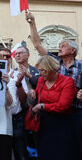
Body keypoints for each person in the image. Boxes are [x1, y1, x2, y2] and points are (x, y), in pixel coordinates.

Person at [26, 11, 82, 159]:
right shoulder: (53, 63)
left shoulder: (81, 66)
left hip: (76, 114)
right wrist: (32, 22)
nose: (59, 48)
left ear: (73, 50)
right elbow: (37, 44)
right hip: (52, 116)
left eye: (63, 46)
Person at [29, 55, 77, 160]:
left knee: (61, 153)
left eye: (42, 70)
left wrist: (42, 106)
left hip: (61, 123)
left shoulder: (67, 82)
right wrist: (33, 92)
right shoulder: (41, 81)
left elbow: (63, 106)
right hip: (44, 123)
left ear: (51, 69)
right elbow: (38, 95)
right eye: (39, 70)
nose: (40, 73)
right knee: (45, 153)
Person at [0, 48, 30, 160]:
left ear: (10, 59)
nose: (3, 58)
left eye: (6, 56)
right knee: (2, 154)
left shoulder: (17, 74)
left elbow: (24, 100)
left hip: (16, 120)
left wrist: (18, 85)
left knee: (20, 153)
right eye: (0, 56)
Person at [14, 41, 40, 160]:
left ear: (28, 55)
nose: (17, 55)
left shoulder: (37, 71)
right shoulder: (12, 72)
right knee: (21, 147)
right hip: (20, 114)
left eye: (20, 53)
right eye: (16, 54)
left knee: (36, 145)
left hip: (36, 113)